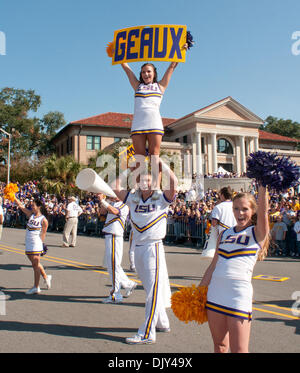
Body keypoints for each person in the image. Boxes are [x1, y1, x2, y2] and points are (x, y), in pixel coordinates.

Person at [199, 185, 269, 353]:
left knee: (239, 350)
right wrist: (199, 291)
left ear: (253, 211)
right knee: (220, 346)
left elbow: (264, 212)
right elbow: (214, 265)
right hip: (215, 294)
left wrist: (263, 186)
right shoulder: (225, 234)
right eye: (236, 209)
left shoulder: (257, 233)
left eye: (245, 209)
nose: (240, 213)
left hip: (238, 296)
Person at [113, 159, 176, 344]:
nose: (145, 183)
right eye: (141, 180)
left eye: (149, 180)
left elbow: (174, 183)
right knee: (150, 288)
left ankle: (147, 332)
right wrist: (129, 169)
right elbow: (114, 186)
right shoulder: (133, 197)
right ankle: (162, 322)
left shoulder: (160, 197)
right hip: (138, 248)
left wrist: (160, 162)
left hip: (153, 247)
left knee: (153, 291)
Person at [121, 59, 184, 190]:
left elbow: (172, 66)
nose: (146, 74)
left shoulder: (160, 86)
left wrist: (180, 48)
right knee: (139, 157)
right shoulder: (137, 86)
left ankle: (155, 187)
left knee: (154, 155)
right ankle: (138, 188)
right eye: (143, 72)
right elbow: (126, 68)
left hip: (154, 123)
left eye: (148, 71)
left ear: (154, 73)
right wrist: (118, 54)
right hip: (138, 124)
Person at [98, 193, 137, 303]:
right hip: (109, 234)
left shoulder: (124, 205)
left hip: (115, 235)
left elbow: (115, 211)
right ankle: (128, 284)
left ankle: (116, 294)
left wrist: (104, 201)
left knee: (114, 265)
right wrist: (102, 201)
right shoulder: (111, 203)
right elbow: (102, 212)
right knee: (111, 265)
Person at [14, 195, 52, 295]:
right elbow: (21, 206)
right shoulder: (30, 214)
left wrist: (41, 245)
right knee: (35, 264)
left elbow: (43, 234)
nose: (32, 207)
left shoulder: (43, 220)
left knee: (35, 265)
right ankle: (46, 277)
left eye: (33, 205)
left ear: (39, 207)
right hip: (28, 242)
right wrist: (12, 196)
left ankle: (36, 287)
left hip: (36, 243)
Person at [201, 187, 237, 258]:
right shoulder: (235, 205)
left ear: (223, 195)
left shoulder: (218, 207)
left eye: (220, 195)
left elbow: (214, 223)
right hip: (236, 233)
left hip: (223, 235)